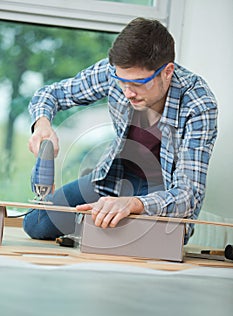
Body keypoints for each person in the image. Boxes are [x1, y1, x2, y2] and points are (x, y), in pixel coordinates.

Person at [23, 17, 218, 244]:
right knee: (35, 223)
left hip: (161, 193)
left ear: (168, 72)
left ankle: (100, 227)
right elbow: (50, 94)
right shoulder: (115, 73)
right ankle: (96, 223)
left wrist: (135, 204)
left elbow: (188, 196)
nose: (127, 92)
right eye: (121, 82)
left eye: (138, 83)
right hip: (113, 178)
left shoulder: (199, 104)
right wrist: (42, 124)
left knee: (153, 243)